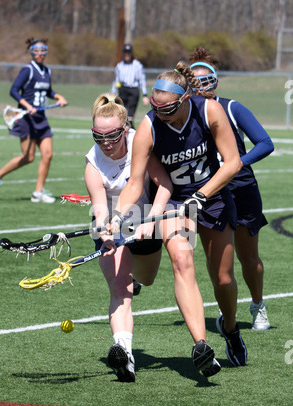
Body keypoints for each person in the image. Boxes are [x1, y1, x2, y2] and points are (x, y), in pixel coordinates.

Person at [111, 61, 247, 372]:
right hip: (175, 202)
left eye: (167, 110)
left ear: (185, 99)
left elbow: (233, 163)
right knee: (182, 262)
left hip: (212, 197)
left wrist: (201, 196)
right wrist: (119, 214)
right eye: (156, 109)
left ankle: (229, 328)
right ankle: (201, 345)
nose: (161, 115)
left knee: (223, 279)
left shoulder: (209, 110)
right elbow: (135, 182)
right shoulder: (148, 127)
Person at [85, 93, 171, 382]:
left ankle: (138, 282)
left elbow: (164, 183)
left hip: (146, 219)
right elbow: (99, 207)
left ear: (125, 129)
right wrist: (105, 232)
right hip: (114, 223)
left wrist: (154, 219)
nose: (106, 143)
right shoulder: (93, 163)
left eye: (112, 136)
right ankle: (125, 354)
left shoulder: (140, 142)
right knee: (119, 289)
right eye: (98, 136)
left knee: (144, 280)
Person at [189, 46, 274, 331]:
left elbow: (265, 143)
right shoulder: (186, 114)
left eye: (207, 80)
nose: (202, 86)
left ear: (215, 81)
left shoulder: (231, 107)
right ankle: (229, 316)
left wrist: (237, 163)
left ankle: (258, 304)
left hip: (241, 189)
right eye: (196, 81)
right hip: (209, 194)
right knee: (216, 266)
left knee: (248, 256)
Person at [0, 37, 68, 203]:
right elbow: (14, 90)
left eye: (43, 51)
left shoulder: (47, 71)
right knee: (28, 157)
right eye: (36, 51)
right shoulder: (28, 70)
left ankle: (38, 193)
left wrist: (58, 96)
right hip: (26, 119)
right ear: (31, 52)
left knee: (47, 155)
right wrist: (27, 105)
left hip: (41, 118)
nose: (40, 54)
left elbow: (47, 91)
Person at [111, 44, 149, 128]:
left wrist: (145, 95)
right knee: (121, 116)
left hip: (133, 91)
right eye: (125, 52)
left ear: (131, 53)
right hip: (123, 90)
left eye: (128, 52)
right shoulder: (120, 66)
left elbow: (142, 80)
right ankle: (122, 136)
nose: (126, 54)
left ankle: (131, 136)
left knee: (129, 117)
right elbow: (116, 81)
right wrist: (112, 94)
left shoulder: (137, 65)